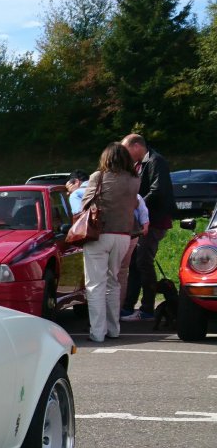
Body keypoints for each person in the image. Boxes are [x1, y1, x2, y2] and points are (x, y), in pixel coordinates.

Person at [80, 143, 141, 344]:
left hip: (100, 235)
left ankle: (97, 332)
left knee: (95, 285)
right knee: (113, 281)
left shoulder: (98, 176)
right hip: (123, 236)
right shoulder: (134, 179)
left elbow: (85, 204)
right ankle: (114, 329)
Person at [120, 133, 176, 322]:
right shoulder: (141, 163)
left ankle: (147, 310)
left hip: (154, 221)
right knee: (136, 263)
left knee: (143, 262)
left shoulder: (155, 161)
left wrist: (137, 206)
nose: (125, 155)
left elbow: (158, 190)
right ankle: (128, 307)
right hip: (144, 221)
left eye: (126, 150)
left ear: (137, 146)